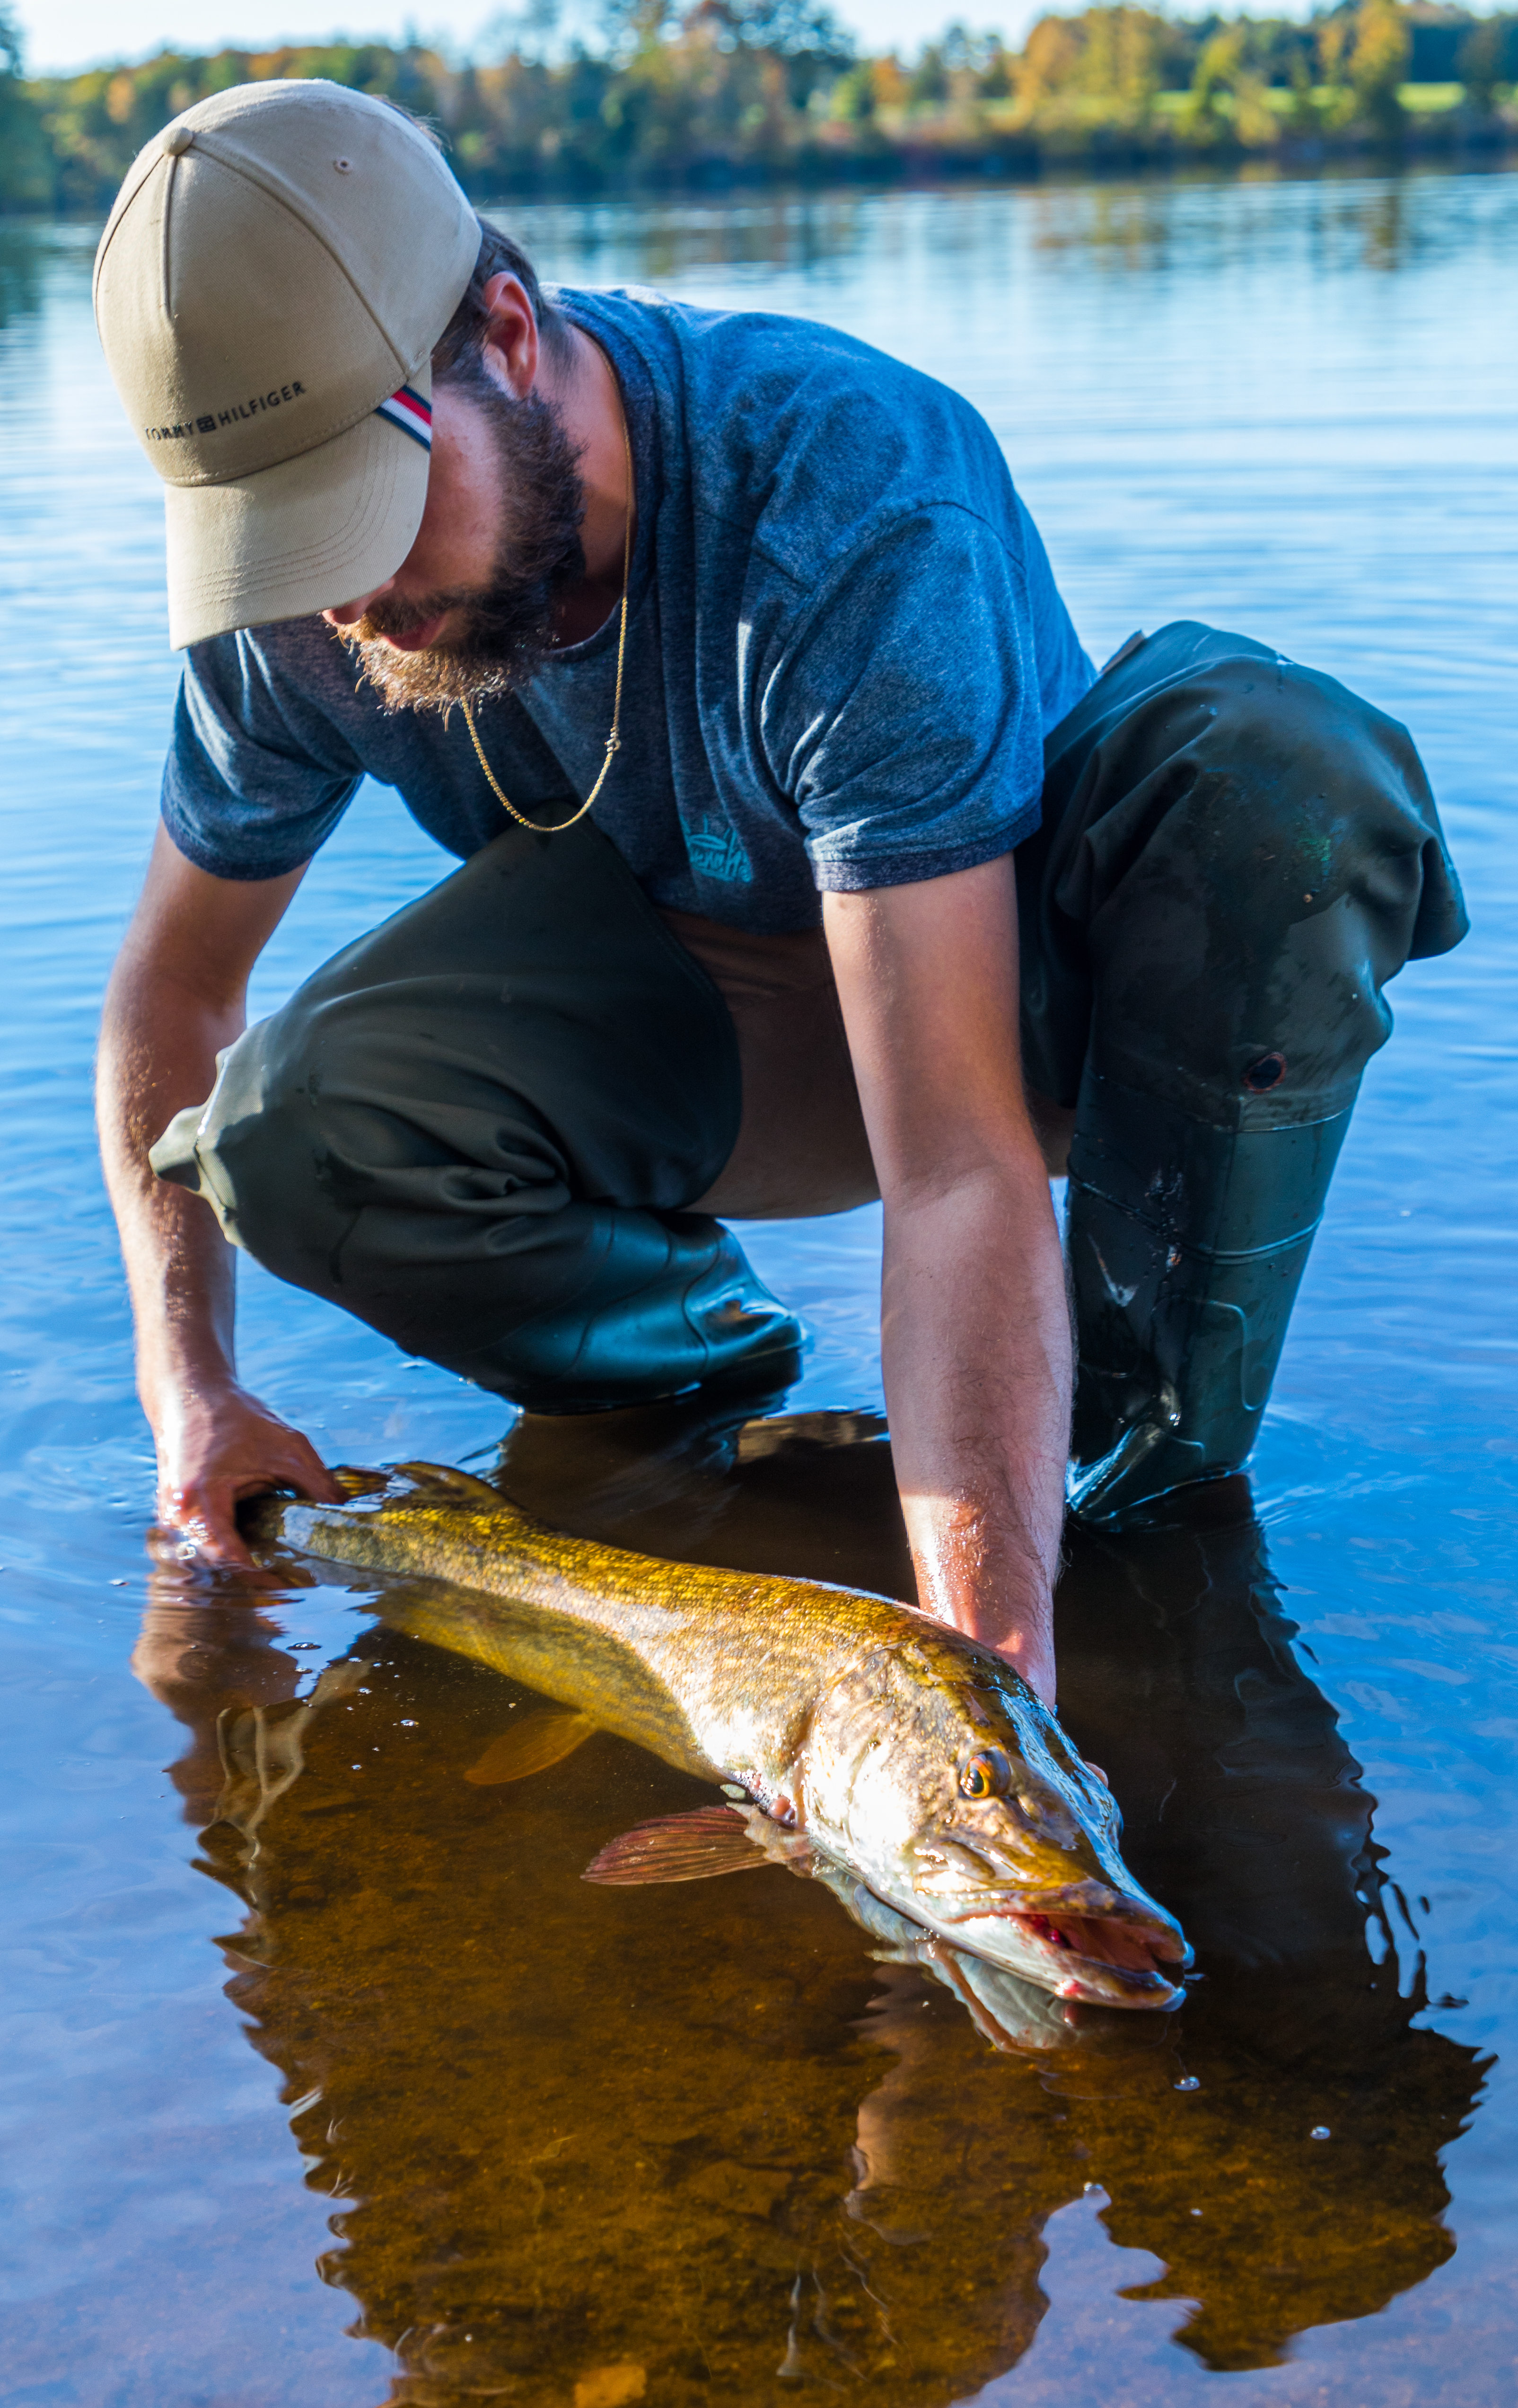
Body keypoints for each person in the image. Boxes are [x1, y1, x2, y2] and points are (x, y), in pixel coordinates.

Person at [93, 79, 1466, 1709]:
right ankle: (701, 1379)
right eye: (282, 546)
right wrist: (193, 1393)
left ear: (510, 336)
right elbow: (172, 996)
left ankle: (1145, 1467)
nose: (351, 602)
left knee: (1277, 782)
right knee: (288, 1126)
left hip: (1025, 1011)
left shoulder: (842, 487)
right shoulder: (298, 623)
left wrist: (986, 1680)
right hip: (725, 1016)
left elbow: (956, 1162)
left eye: (369, 515)